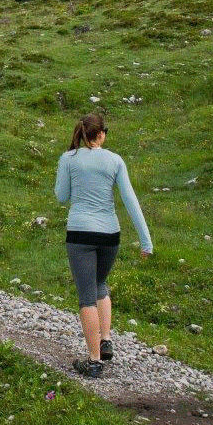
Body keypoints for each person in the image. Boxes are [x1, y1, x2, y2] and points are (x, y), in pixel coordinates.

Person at [55, 112, 153, 379]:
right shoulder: (115, 160)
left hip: (80, 233)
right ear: (101, 134)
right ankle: (106, 340)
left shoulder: (68, 159)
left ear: (82, 133)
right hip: (110, 234)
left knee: (86, 295)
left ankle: (94, 361)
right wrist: (146, 240)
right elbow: (130, 199)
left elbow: (62, 196)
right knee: (101, 284)